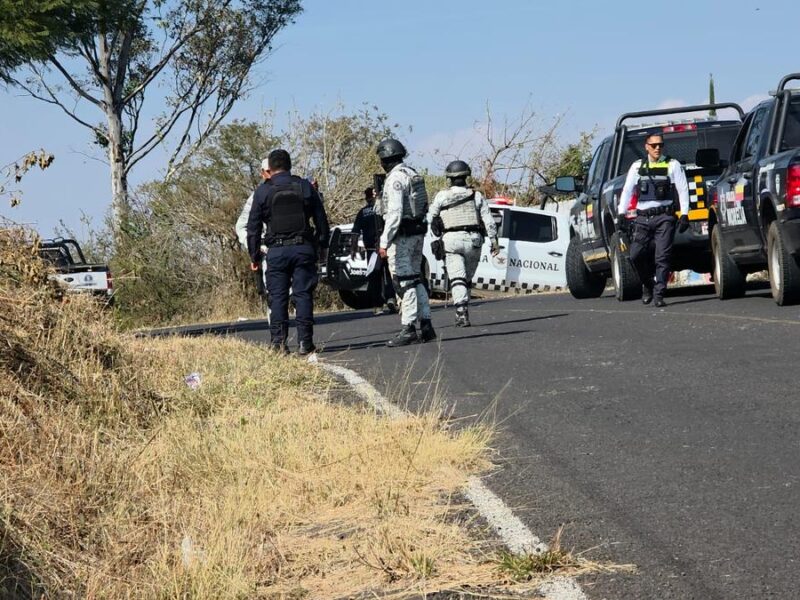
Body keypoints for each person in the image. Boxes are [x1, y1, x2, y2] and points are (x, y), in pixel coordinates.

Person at [246, 149, 329, 354]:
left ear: (270, 168)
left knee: (278, 297)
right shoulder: (305, 187)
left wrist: (254, 256)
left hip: (276, 252)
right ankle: (305, 343)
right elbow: (322, 222)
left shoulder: (262, 192)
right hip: (303, 248)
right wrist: (320, 246)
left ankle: (278, 343)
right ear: (289, 165)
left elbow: (253, 228)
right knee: (303, 295)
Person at [617, 133, 690, 307]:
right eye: (654, 145)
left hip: (665, 217)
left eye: (660, 145)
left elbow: (683, 189)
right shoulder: (637, 166)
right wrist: (621, 213)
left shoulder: (673, 165)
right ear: (646, 146)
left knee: (662, 257)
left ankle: (659, 294)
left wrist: (685, 214)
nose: (658, 148)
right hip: (642, 218)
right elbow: (627, 191)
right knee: (635, 255)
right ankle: (649, 285)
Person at [375, 138, 436, 347]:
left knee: (403, 281)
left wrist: (384, 241)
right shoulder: (413, 174)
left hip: (401, 237)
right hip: (417, 233)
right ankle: (426, 324)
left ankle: (408, 327)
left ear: (384, 159)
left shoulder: (394, 180)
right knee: (416, 278)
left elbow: (394, 213)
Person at [428, 160, 499, 327]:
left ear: (449, 178)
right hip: (474, 240)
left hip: (451, 240)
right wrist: (494, 243)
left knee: (457, 278)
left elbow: (430, 218)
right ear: (466, 176)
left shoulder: (442, 196)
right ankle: (462, 305)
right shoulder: (476, 196)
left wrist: (434, 238)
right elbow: (489, 221)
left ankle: (461, 311)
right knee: (466, 278)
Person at [351, 186, 397, 314]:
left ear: (366, 198)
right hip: (386, 247)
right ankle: (391, 298)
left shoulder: (362, 212)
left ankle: (378, 306)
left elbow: (355, 233)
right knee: (389, 273)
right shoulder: (382, 210)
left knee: (374, 277)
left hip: (372, 250)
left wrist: (353, 249)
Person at [236, 158, 271, 301]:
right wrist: (255, 249)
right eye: (268, 172)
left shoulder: (297, 188)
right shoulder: (258, 195)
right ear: (262, 173)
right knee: (273, 297)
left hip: (296, 249)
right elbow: (242, 226)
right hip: (270, 250)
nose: (270, 175)